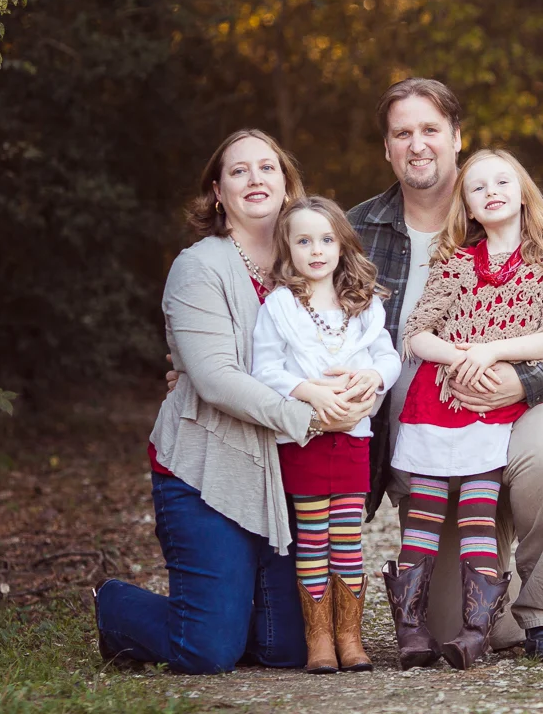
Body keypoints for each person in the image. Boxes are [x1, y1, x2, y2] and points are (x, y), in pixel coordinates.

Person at [349, 78, 543, 663]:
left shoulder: (515, 214)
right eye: (403, 133)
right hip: (434, 438)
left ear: (455, 137)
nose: (417, 144)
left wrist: (522, 379)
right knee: (473, 626)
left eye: (431, 130)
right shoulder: (358, 234)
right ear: (387, 148)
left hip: (533, 405)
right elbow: (300, 309)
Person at [91, 129, 376, 674]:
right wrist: (308, 416)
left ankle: (225, 606)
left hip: (287, 471)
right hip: (209, 470)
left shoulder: (317, 260)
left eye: (267, 168)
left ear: (287, 183)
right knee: (208, 651)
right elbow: (216, 378)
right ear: (217, 193)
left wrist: (365, 384)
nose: (254, 179)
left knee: (287, 649)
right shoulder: (199, 267)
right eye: (238, 171)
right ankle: (117, 607)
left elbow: (364, 339)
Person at [389, 149, 543, 669]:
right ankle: (422, 625)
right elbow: (417, 332)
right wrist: (460, 356)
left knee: (482, 507)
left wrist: (493, 352)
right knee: (426, 514)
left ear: (525, 192)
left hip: (509, 406)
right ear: (467, 206)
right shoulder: (455, 264)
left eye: (503, 181)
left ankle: (523, 612)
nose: (492, 192)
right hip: (444, 406)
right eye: (477, 188)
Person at [251, 195, 400, 673]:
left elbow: (388, 357)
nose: (316, 250)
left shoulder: (363, 303)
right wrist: (311, 392)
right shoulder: (279, 306)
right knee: (313, 537)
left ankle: (350, 638)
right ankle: (319, 642)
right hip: (305, 439)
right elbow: (265, 368)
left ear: (342, 243)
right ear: (288, 248)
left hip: (353, 437)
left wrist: (373, 379)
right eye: (303, 240)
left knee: (349, 537)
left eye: (326, 239)